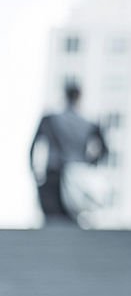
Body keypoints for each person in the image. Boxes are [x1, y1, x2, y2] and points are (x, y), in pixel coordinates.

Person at [29, 82, 108, 225]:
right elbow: (104, 151)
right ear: (79, 97)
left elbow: (33, 147)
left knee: (52, 223)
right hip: (77, 177)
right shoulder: (89, 123)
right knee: (73, 223)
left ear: (64, 95)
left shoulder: (50, 119)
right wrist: (88, 163)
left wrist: (35, 174)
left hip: (53, 175)